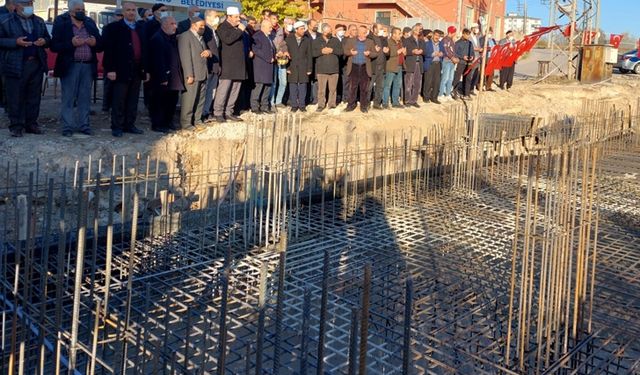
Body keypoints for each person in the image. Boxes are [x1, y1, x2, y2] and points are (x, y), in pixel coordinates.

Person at [50, 0, 102, 136]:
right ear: (70, 11)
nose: (81, 12)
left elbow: (100, 44)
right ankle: (67, 126)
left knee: (85, 97)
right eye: (78, 9)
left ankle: (84, 125)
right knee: (68, 97)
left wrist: (95, 42)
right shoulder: (61, 23)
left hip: (88, 65)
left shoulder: (90, 22)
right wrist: (71, 43)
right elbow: (54, 46)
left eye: (83, 9)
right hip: (70, 65)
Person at [0, 0, 50, 137]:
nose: (29, 7)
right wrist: (15, 42)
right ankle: (16, 126)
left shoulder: (39, 21)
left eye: (30, 4)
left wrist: (44, 41)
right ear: (16, 6)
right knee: (15, 97)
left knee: (34, 96)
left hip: (36, 63)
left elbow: (48, 38)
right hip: (15, 63)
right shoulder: (5, 21)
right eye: (25, 4)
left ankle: (31, 124)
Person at [102, 1, 147, 137]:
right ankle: (117, 126)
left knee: (133, 100)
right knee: (119, 99)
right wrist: (110, 69)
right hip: (119, 69)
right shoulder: (113, 28)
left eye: (133, 10)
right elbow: (109, 50)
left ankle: (129, 125)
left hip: (137, 68)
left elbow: (145, 49)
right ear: (122, 12)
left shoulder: (140, 28)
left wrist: (146, 69)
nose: (131, 12)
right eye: (128, 10)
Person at [149, 16, 183, 132]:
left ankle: (168, 121)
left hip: (173, 76)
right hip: (162, 77)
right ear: (164, 25)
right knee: (159, 102)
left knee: (171, 101)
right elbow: (158, 61)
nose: (175, 26)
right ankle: (158, 124)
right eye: (172, 24)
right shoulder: (157, 38)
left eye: (175, 23)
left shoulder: (171, 38)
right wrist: (162, 77)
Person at [212, 6, 246, 122]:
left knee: (235, 89)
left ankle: (229, 111)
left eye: (238, 17)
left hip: (239, 65)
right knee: (224, 89)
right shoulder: (223, 27)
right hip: (228, 64)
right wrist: (240, 30)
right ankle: (218, 112)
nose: (238, 19)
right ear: (229, 17)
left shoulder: (238, 28)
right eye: (236, 17)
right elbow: (228, 40)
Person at [178, 17, 211, 129]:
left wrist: (209, 52)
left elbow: (203, 52)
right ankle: (186, 123)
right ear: (193, 25)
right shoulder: (185, 37)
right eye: (201, 26)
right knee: (189, 99)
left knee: (200, 100)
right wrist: (189, 74)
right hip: (192, 75)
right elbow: (185, 57)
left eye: (204, 26)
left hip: (202, 73)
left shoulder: (201, 38)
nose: (203, 28)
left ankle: (197, 120)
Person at [343, 25, 377, 113]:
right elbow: (345, 51)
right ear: (359, 32)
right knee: (352, 87)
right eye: (363, 32)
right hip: (353, 66)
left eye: (365, 32)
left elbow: (375, 54)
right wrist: (350, 52)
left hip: (364, 67)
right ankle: (351, 105)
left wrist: (369, 53)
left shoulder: (370, 42)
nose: (365, 34)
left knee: (364, 88)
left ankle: (364, 107)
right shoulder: (351, 41)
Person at [141, 3, 167, 109]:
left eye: (165, 10)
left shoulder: (167, 24)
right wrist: (145, 68)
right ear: (155, 12)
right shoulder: (149, 25)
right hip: (152, 62)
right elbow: (145, 45)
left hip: (165, 61)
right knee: (151, 88)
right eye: (162, 10)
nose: (164, 12)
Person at [312, 23, 342, 111]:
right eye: (327, 32)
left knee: (333, 89)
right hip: (321, 69)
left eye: (330, 31)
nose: (329, 33)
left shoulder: (336, 40)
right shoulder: (316, 41)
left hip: (334, 69)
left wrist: (333, 50)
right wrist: (321, 51)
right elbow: (313, 53)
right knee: (321, 90)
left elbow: (341, 52)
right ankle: (321, 105)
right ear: (323, 32)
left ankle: (332, 104)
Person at [285, 20, 312, 112]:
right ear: (296, 30)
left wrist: (309, 68)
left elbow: (309, 55)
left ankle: (302, 105)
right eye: (301, 29)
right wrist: (287, 67)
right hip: (292, 66)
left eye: (304, 29)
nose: (303, 30)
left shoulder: (307, 40)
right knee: (293, 86)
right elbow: (286, 53)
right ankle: (294, 105)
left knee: (302, 87)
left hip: (303, 66)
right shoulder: (289, 39)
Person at [250, 20, 275, 114]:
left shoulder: (269, 37)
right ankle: (255, 107)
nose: (271, 29)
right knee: (259, 87)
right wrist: (268, 58)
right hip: (260, 66)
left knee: (267, 87)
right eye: (269, 27)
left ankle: (264, 106)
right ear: (263, 27)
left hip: (269, 66)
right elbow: (256, 49)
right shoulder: (257, 36)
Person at [101, 7, 122, 113]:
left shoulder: (127, 28)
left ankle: (116, 106)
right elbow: (104, 44)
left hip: (122, 62)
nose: (120, 17)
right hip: (110, 61)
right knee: (108, 85)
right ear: (114, 16)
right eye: (118, 15)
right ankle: (106, 106)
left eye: (121, 15)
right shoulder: (108, 28)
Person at [201, 10, 220, 120]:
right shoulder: (205, 29)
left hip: (215, 66)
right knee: (205, 91)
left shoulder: (214, 31)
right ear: (208, 17)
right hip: (207, 65)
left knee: (212, 91)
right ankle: (201, 113)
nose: (217, 18)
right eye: (215, 16)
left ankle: (206, 111)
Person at [382, 26, 405, 109]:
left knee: (397, 85)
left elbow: (402, 52)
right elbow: (388, 53)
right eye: (399, 34)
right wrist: (398, 52)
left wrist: (403, 53)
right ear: (394, 34)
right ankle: (385, 103)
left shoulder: (400, 42)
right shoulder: (388, 42)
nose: (400, 35)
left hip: (399, 66)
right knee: (387, 85)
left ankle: (395, 102)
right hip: (391, 67)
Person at [402, 23, 423, 108]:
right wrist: (412, 52)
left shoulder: (421, 40)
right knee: (408, 83)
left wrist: (421, 51)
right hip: (410, 63)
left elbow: (425, 50)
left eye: (420, 30)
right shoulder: (407, 40)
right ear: (414, 30)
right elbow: (405, 52)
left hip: (419, 63)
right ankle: (407, 100)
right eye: (418, 29)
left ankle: (414, 100)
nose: (419, 31)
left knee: (417, 84)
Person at [369, 24, 388, 110]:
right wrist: (374, 50)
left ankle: (376, 103)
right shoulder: (369, 38)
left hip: (382, 66)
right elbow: (367, 52)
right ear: (374, 29)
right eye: (380, 29)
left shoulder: (383, 39)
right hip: (373, 66)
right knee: (369, 86)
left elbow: (387, 53)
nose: (381, 31)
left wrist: (387, 52)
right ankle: (366, 103)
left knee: (380, 87)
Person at [422, 29, 443, 104]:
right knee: (428, 81)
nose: (437, 37)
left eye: (439, 36)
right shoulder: (427, 43)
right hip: (430, 63)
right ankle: (426, 97)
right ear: (433, 35)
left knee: (436, 82)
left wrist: (441, 54)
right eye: (436, 35)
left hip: (438, 64)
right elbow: (424, 53)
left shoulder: (441, 44)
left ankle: (434, 97)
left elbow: (444, 51)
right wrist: (432, 54)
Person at [452, 28, 474, 99]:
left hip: (469, 63)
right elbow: (455, 53)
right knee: (457, 77)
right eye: (467, 34)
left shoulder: (470, 43)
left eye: (469, 35)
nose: (468, 36)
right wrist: (462, 57)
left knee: (467, 78)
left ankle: (466, 94)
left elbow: (472, 52)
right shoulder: (458, 43)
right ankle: (454, 92)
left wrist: (472, 57)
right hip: (461, 62)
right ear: (463, 34)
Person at [439, 26, 458, 101]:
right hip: (447, 61)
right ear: (450, 32)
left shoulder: (452, 40)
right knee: (445, 78)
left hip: (452, 62)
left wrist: (456, 58)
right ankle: (440, 94)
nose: (455, 34)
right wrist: (452, 58)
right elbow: (446, 51)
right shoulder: (445, 40)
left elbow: (453, 51)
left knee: (451, 78)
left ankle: (447, 93)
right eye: (454, 32)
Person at [305, 18, 319, 105]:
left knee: (316, 81)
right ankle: (307, 98)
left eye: (316, 25)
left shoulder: (320, 35)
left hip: (318, 62)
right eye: (314, 25)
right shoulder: (305, 35)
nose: (316, 26)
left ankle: (315, 99)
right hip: (307, 61)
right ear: (309, 25)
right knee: (307, 81)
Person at [468, 23, 482, 95]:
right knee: (471, 74)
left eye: (477, 28)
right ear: (472, 28)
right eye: (475, 28)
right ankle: (468, 88)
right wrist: (476, 49)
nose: (476, 29)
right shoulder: (469, 37)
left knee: (476, 74)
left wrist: (480, 49)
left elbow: (478, 46)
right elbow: (469, 47)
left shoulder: (477, 37)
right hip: (472, 58)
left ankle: (471, 89)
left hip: (477, 58)